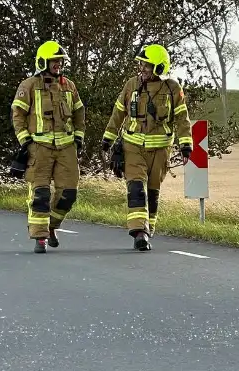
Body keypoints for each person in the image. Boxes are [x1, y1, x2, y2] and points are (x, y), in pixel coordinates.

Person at [100, 44, 192, 251]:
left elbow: (182, 119)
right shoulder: (131, 85)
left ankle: (147, 230)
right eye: (141, 64)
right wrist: (108, 138)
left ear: (159, 68)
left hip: (160, 151)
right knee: (136, 189)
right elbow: (118, 113)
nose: (142, 68)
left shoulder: (172, 89)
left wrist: (186, 145)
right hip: (133, 147)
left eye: (147, 65)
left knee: (152, 193)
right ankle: (138, 232)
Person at [11, 41, 86, 254]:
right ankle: (40, 236)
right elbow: (18, 116)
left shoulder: (69, 86)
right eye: (54, 61)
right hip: (39, 148)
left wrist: (79, 138)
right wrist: (25, 141)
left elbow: (80, 113)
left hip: (66, 148)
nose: (58, 64)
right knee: (40, 193)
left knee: (69, 193)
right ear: (43, 62)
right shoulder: (29, 85)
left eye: (60, 61)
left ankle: (52, 226)